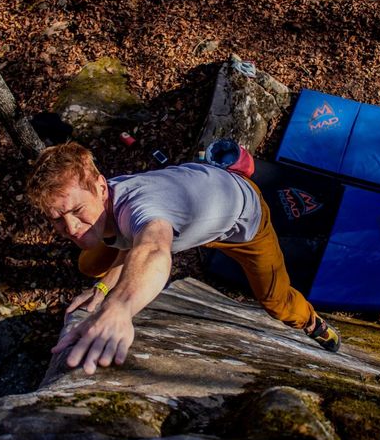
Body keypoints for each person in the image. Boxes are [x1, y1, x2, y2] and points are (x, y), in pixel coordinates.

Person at [26, 142, 341, 375]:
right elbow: (129, 240)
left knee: (277, 302)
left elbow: (151, 249)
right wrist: (104, 289)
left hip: (245, 224)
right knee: (90, 264)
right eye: (56, 219)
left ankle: (311, 321)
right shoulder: (105, 200)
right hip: (202, 204)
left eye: (77, 211)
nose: (70, 228)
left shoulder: (141, 208)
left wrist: (119, 308)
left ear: (100, 188)